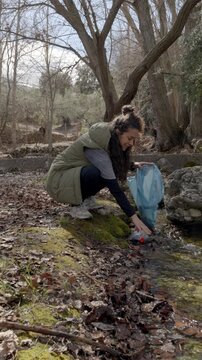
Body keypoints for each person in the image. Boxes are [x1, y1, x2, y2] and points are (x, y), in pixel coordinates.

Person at [45, 105, 152, 235]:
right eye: (130, 138)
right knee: (100, 173)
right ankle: (76, 206)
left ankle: (86, 198)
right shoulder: (96, 144)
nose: (131, 144)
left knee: (106, 170)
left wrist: (132, 164)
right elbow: (114, 188)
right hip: (58, 180)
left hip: (71, 177)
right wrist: (134, 218)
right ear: (118, 132)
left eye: (134, 140)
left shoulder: (111, 138)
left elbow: (114, 161)